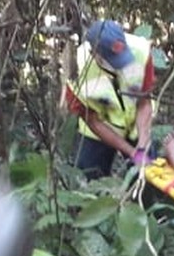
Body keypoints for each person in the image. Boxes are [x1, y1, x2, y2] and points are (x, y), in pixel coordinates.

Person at [65, 20, 157, 178]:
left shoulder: (140, 52)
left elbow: (144, 101)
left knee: (150, 176)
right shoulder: (78, 70)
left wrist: (142, 146)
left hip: (135, 123)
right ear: (95, 55)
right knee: (90, 182)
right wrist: (130, 152)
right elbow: (93, 121)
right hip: (98, 129)